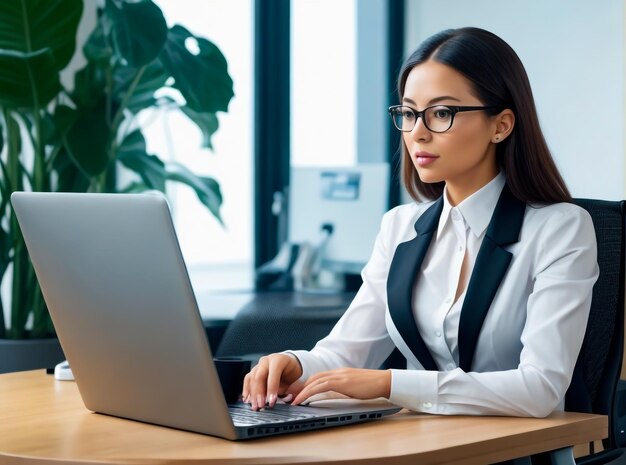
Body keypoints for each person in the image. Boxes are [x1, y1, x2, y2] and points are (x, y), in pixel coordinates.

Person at [242, 27, 598, 417]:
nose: (418, 133)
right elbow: (347, 350)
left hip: (514, 450)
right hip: (421, 442)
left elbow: (540, 388)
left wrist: (390, 383)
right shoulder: (399, 227)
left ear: (502, 125)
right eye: (409, 113)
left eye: (442, 113)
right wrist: (295, 363)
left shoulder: (561, 229)